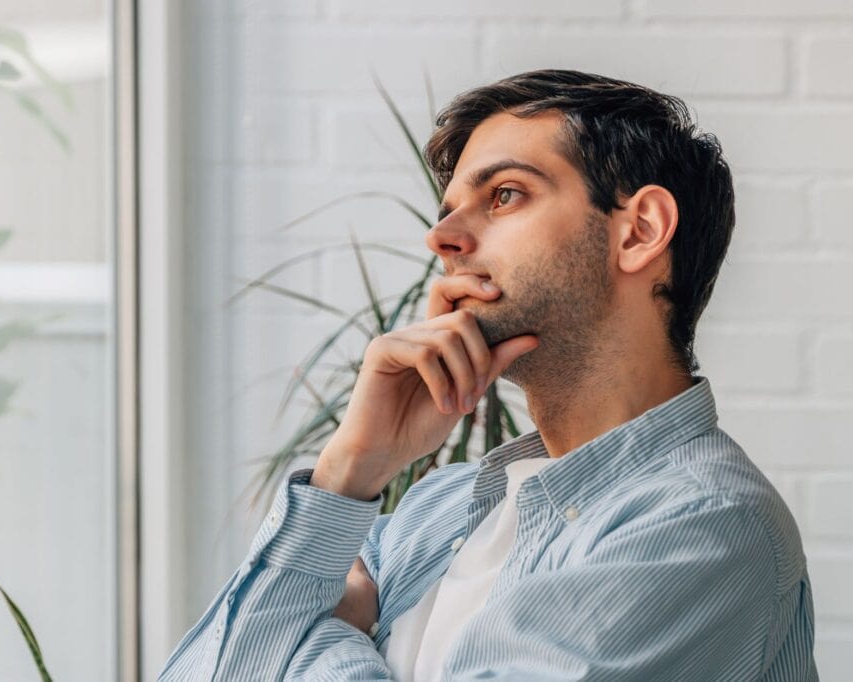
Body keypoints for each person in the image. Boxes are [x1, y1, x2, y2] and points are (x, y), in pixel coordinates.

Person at [157, 69, 817, 681]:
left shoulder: (703, 526)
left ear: (640, 231)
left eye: (504, 195)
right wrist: (347, 474)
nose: (442, 238)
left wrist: (327, 632)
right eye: (450, 206)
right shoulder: (433, 510)